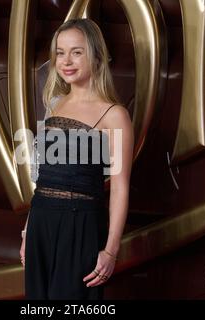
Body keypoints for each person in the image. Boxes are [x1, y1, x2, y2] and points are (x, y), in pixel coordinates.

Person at [19, 18, 134, 300]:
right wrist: (27, 231)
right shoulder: (54, 103)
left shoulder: (115, 115)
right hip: (41, 222)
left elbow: (120, 188)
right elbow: (43, 179)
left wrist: (110, 251)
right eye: (60, 52)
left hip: (80, 226)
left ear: (95, 56)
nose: (66, 61)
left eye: (77, 52)